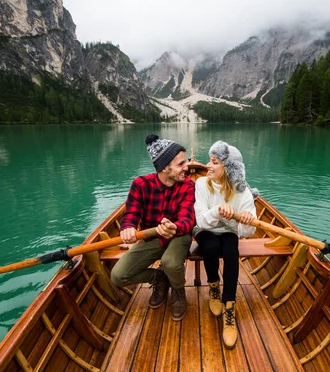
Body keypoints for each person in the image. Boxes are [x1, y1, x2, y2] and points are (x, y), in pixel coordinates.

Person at [110, 134, 195, 321]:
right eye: (181, 164)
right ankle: (159, 279)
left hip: (178, 236)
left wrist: (175, 227)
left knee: (170, 263)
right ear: (165, 167)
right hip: (152, 237)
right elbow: (131, 214)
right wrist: (128, 227)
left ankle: (178, 292)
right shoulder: (140, 185)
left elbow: (188, 219)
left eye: (185, 162)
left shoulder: (188, 185)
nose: (187, 167)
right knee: (118, 276)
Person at [193, 141, 258, 348]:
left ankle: (229, 304)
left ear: (228, 168)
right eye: (209, 161)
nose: (208, 166)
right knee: (210, 247)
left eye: (214, 162)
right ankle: (214, 287)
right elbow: (201, 220)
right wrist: (219, 210)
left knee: (232, 251)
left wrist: (245, 220)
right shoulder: (201, 184)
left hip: (229, 231)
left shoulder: (243, 193)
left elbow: (248, 232)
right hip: (204, 230)